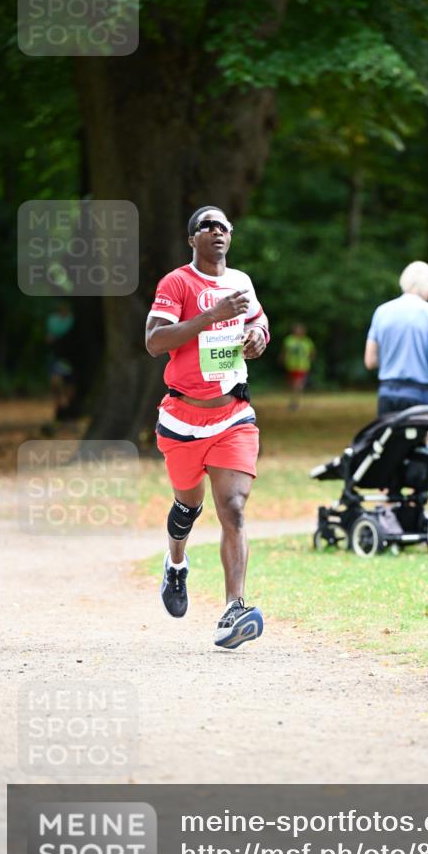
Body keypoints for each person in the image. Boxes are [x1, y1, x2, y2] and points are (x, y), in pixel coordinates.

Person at [145, 205, 269, 649]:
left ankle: (234, 609)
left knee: (233, 507)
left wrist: (258, 337)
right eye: (206, 226)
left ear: (230, 236)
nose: (216, 231)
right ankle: (176, 564)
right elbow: (155, 340)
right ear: (192, 239)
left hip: (232, 414)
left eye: (223, 226)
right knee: (187, 508)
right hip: (182, 416)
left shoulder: (241, 282)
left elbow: (258, 320)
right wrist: (209, 318)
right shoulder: (176, 283)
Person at [364, 261, 428, 417]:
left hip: (387, 393)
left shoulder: (382, 311)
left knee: (389, 440)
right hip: (420, 395)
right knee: (420, 440)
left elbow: (370, 361)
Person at [281, 323, 316, 410]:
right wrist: (283, 359)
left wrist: (309, 360)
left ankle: (295, 402)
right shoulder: (289, 340)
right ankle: (294, 400)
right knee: (293, 385)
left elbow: (312, 353)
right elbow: (284, 352)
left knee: (298, 384)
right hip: (291, 366)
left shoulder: (307, 341)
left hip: (303, 366)